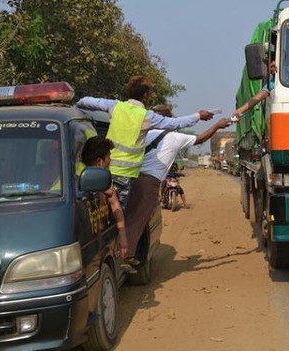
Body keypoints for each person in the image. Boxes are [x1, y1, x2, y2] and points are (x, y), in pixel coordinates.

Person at [76, 75, 213, 208]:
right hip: (126, 175)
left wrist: (75, 102)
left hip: (105, 169)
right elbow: (176, 123)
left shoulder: (115, 106)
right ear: (146, 95)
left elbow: (87, 101)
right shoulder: (147, 116)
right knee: (120, 212)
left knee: (102, 211)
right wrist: (198, 116)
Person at [123, 105, 232, 265]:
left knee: (126, 217)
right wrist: (217, 125)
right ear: (170, 120)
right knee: (138, 221)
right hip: (149, 182)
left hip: (129, 178)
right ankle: (127, 257)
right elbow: (200, 139)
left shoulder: (142, 134)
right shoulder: (174, 137)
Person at [80, 136, 134, 272]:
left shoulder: (103, 181)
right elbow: (116, 205)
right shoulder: (79, 184)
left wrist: (122, 235)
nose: (110, 161)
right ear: (99, 161)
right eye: (108, 157)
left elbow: (116, 206)